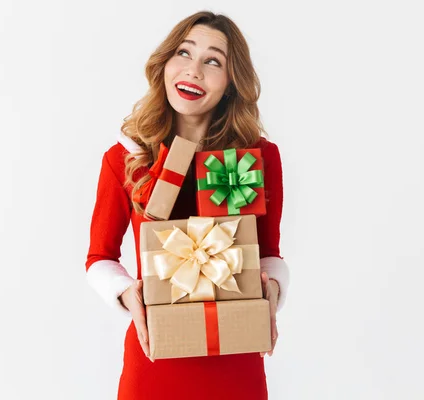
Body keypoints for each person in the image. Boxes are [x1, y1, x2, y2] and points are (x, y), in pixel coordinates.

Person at [85, 11, 290, 400]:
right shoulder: (125, 158)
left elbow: (269, 255)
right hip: (155, 359)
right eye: (184, 52)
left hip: (235, 356)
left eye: (213, 61)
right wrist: (127, 293)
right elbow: (99, 258)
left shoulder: (256, 158)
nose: (194, 70)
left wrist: (272, 291)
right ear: (165, 64)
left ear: (231, 82)